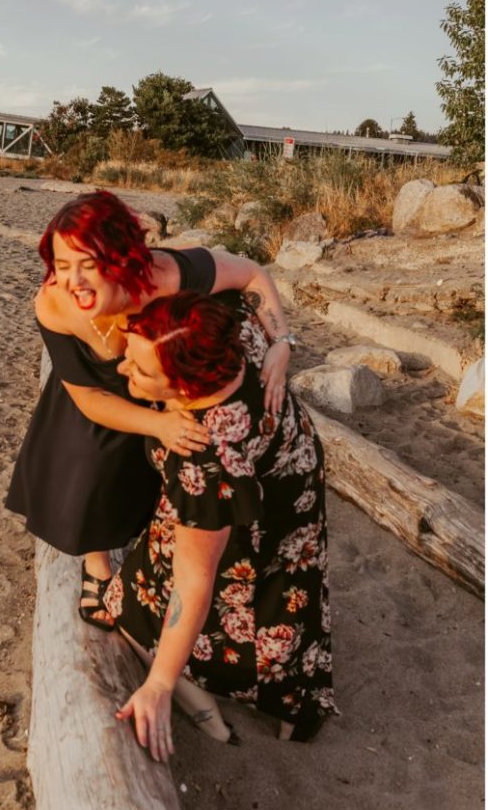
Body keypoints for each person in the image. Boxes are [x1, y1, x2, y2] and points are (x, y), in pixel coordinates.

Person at [6, 190, 296, 630]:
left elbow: (253, 274)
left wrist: (281, 342)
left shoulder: (167, 276)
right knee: (89, 460)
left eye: (90, 264)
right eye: (63, 266)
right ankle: (97, 562)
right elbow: (86, 396)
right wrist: (157, 423)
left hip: (161, 378)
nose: (74, 281)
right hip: (93, 391)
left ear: (123, 259)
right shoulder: (52, 304)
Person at [105, 291, 334, 761]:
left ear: (187, 388)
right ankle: (301, 702)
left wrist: (161, 684)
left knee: (130, 602)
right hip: (288, 454)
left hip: (251, 471)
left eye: (141, 370)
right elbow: (248, 282)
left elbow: (194, 581)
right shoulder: (227, 328)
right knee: (290, 571)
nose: (124, 370)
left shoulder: (208, 461)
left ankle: (208, 698)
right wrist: (282, 341)